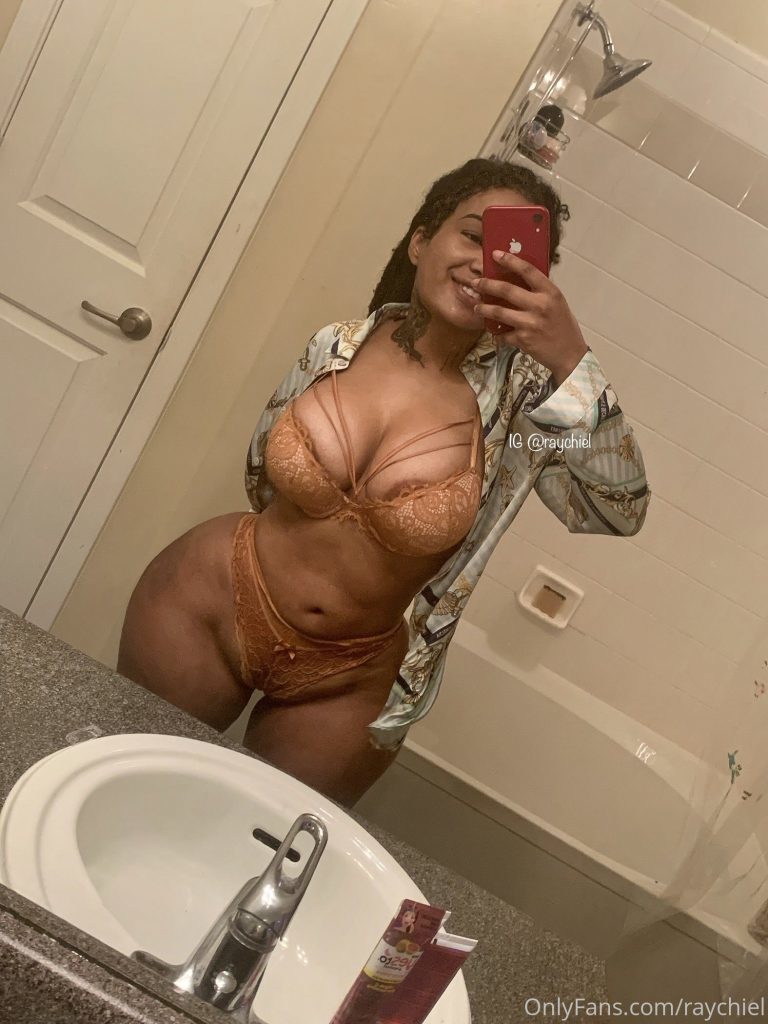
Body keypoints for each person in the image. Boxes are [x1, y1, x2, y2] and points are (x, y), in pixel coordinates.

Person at [118, 157, 650, 807]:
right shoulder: (336, 344)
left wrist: (571, 358)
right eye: (472, 236)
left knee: (255, 840)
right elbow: (261, 474)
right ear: (421, 241)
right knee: (122, 781)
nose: (485, 266)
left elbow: (616, 509)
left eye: (512, 260)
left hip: (350, 676)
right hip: (211, 596)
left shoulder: (523, 406)